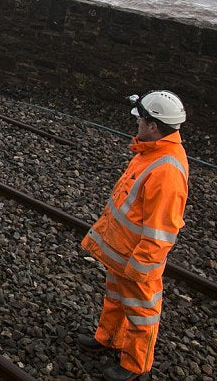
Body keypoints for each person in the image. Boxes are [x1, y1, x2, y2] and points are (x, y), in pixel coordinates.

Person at [78, 90, 189, 381]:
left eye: (141, 119)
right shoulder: (150, 151)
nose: (137, 123)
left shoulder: (166, 170)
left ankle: (134, 365)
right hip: (122, 250)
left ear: (154, 126)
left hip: (137, 259)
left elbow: (161, 230)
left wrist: (140, 268)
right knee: (115, 297)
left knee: (142, 314)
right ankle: (108, 338)